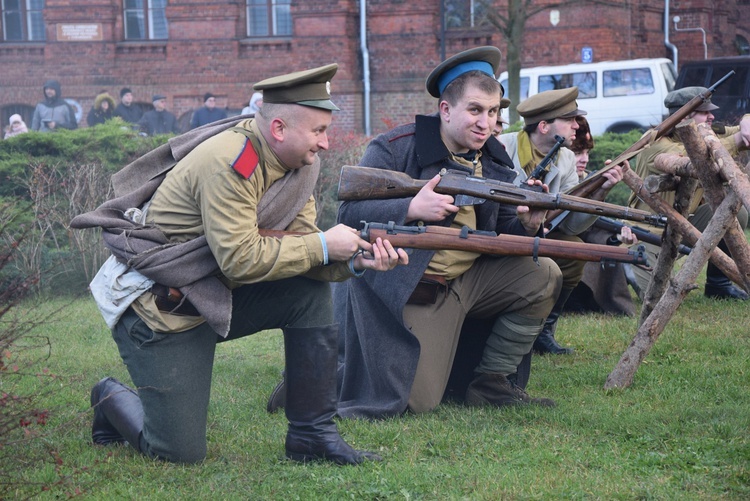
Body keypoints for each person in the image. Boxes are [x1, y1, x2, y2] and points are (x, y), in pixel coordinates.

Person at [73, 63, 408, 465]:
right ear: (280, 129)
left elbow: (300, 248)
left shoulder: (299, 164)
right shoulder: (231, 160)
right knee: (178, 453)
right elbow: (239, 260)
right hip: (161, 311)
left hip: (213, 296)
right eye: (319, 131)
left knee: (309, 291)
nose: (326, 143)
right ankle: (108, 395)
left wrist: (357, 258)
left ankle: (312, 435)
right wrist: (322, 244)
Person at [327, 46, 562, 418]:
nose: (486, 123)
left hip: (472, 280)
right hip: (413, 287)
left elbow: (502, 227)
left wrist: (527, 224)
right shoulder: (394, 150)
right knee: (416, 402)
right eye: (475, 110)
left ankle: (491, 383)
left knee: (544, 272)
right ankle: (314, 380)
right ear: (446, 109)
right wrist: (410, 208)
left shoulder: (495, 162)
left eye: (493, 112)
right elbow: (348, 213)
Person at [496, 88, 628, 355]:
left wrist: (600, 191)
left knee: (574, 250)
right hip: (500, 232)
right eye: (569, 120)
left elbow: (569, 225)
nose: (577, 126)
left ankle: (543, 332)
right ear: (544, 127)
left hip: (540, 232)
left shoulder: (566, 158)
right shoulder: (501, 147)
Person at [627, 86, 750, 300]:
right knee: (656, 296)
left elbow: (735, 130)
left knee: (734, 212)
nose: (711, 116)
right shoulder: (654, 142)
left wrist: (746, 121)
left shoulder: (707, 132)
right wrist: (738, 140)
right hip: (648, 232)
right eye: (704, 112)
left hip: (685, 222)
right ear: (683, 117)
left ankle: (718, 285)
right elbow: (692, 156)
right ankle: (625, 267)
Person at [564, 116, 636, 316]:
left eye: (587, 152)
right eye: (577, 152)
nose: (585, 158)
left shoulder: (587, 179)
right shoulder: (559, 179)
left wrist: (617, 238)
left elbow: (592, 226)